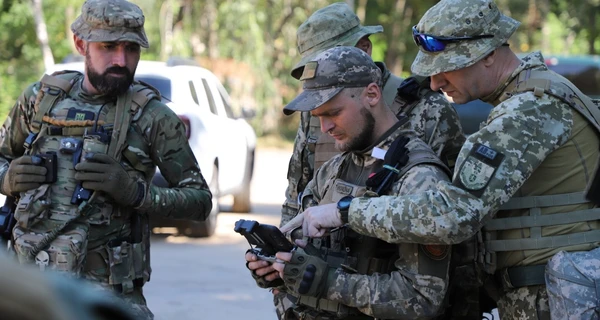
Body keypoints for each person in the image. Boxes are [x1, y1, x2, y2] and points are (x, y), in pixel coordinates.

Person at [295, 0, 600, 319]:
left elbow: (451, 215)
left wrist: (345, 211)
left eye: (445, 68)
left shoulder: (527, 111)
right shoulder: (536, 95)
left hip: (555, 298)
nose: (436, 83)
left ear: (490, 53)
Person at [0, 0, 213, 318]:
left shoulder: (153, 117)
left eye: (131, 48)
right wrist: (7, 177)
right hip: (32, 293)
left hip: (110, 301)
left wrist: (136, 192)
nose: (121, 60)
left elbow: (200, 201)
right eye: (108, 46)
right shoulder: (39, 100)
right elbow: (3, 157)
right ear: (80, 43)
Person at [248, 46, 454, 319]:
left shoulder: (418, 178)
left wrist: (328, 282)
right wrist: (279, 269)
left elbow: (421, 299)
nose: (325, 128)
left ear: (372, 94)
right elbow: (309, 257)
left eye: (333, 113)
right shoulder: (333, 169)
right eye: (318, 116)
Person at [281, 1, 465, 228]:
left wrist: (346, 214)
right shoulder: (316, 114)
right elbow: (297, 191)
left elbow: (449, 209)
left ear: (365, 48)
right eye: (315, 64)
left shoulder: (428, 109)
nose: (322, 72)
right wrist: (283, 248)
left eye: (334, 56)